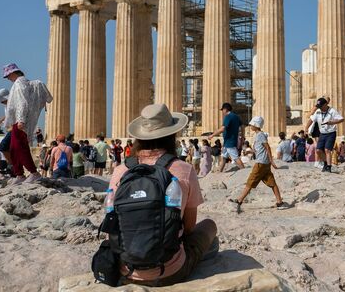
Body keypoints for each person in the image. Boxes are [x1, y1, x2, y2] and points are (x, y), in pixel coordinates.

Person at [109, 104, 216, 287]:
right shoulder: (184, 169)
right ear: (171, 135)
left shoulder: (120, 171)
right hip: (171, 271)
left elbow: (110, 222)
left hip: (126, 269)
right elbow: (189, 228)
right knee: (209, 226)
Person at [2, 63, 50, 185]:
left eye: (8, 75)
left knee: (20, 148)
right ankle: (19, 174)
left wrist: (21, 119)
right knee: (13, 148)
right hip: (18, 120)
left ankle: (34, 173)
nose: (7, 78)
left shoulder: (19, 83)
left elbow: (22, 102)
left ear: (13, 73)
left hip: (20, 121)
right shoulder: (22, 83)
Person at [229, 116, 289, 213]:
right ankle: (279, 202)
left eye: (252, 124)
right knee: (272, 182)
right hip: (264, 163)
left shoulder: (260, 135)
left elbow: (267, 147)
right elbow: (259, 149)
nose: (250, 125)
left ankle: (239, 201)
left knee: (250, 181)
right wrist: (250, 152)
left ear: (256, 125)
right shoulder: (258, 135)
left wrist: (271, 161)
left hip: (261, 163)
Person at [305, 97, 345, 173]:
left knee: (327, 150)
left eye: (321, 106)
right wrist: (306, 128)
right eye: (318, 106)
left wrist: (332, 122)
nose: (319, 108)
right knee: (318, 150)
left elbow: (342, 119)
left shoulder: (332, 111)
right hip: (322, 133)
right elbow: (311, 119)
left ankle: (329, 167)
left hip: (331, 133)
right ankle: (325, 163)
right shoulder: (318, 111)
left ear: (326, 104)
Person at [208, 103, 244, 172]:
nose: (222, 112)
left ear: (225, 109)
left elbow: (223, 128)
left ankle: (244, 170)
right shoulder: (236, 116)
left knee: (235, 157)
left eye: (222, 110)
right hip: (229, 141)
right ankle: (220, 171)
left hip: (229, 141)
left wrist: (212, 135)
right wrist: (242, 137)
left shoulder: (228, 116)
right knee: (223, 157)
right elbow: (242, 126)